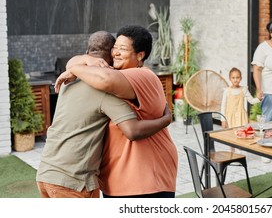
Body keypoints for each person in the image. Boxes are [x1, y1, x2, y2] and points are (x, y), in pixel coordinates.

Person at [36, 31, 172, 198]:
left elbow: (107, 79)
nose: (116, 53)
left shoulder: (69, 82)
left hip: (46, 173)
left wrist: (75, 67)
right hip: (73, 181)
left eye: (122, 48)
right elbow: (132, 130)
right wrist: (166, 120)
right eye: (114, 49)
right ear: (107, 58)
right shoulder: (100, 87)